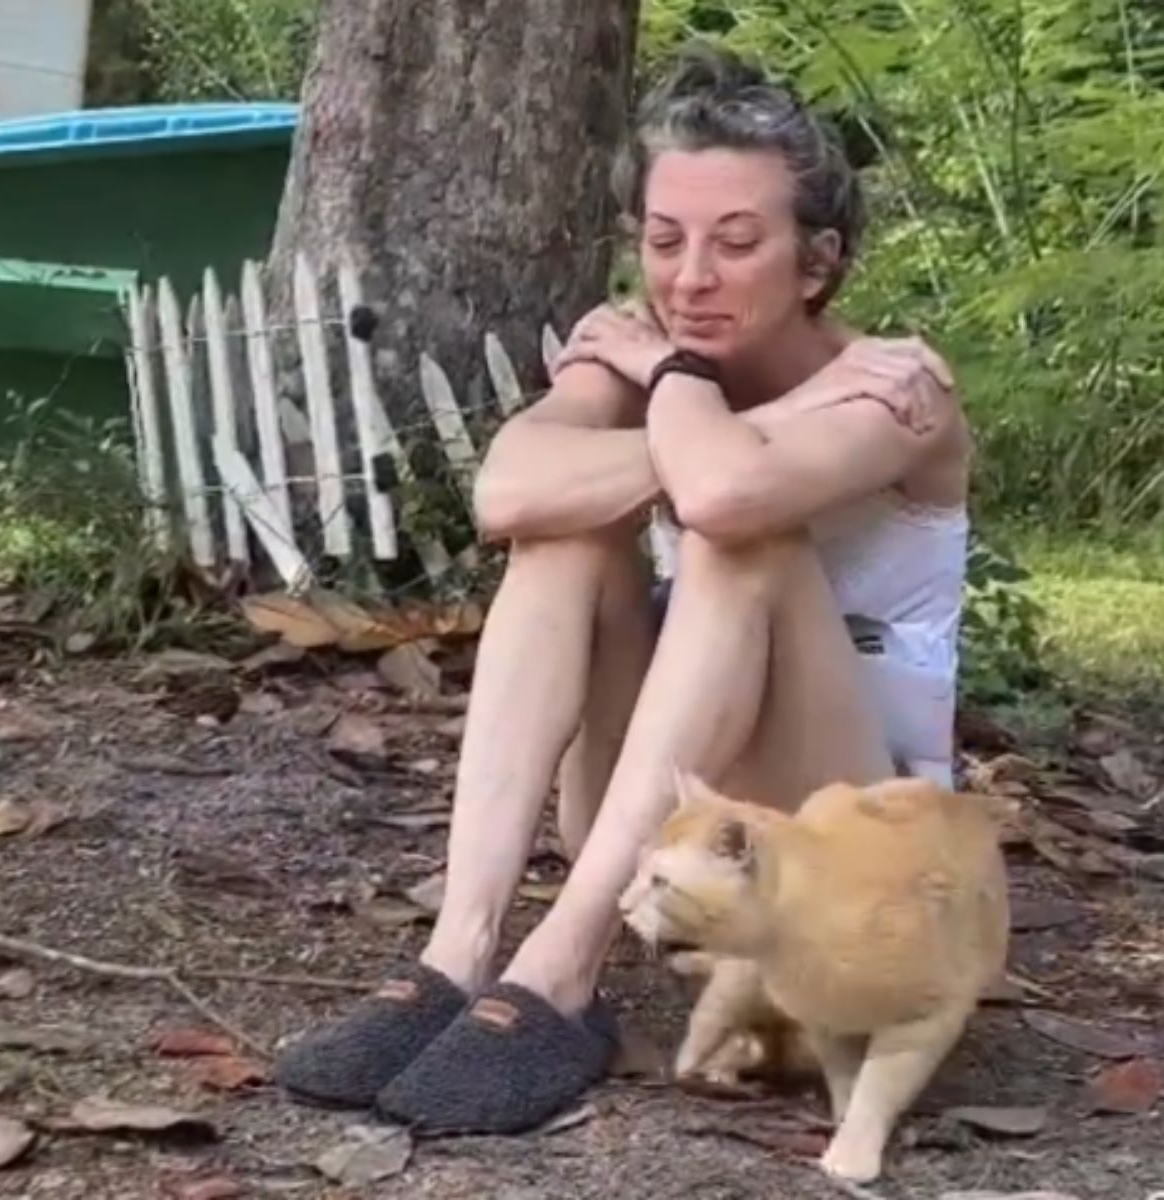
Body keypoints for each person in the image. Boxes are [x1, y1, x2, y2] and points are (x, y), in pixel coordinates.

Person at [276, 43, 971, 1134]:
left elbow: (732, 499)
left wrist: (691, 401)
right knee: (566, 537)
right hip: (687, 877)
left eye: (737, 243)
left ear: (817, 262)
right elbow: (506, 493)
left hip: (855, 910)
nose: (690, 278)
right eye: (663, 240)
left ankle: (562, 966)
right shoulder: (650, 359)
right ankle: (461, 948)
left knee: (744, 543)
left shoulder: (895, 388)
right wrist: (681, 387)